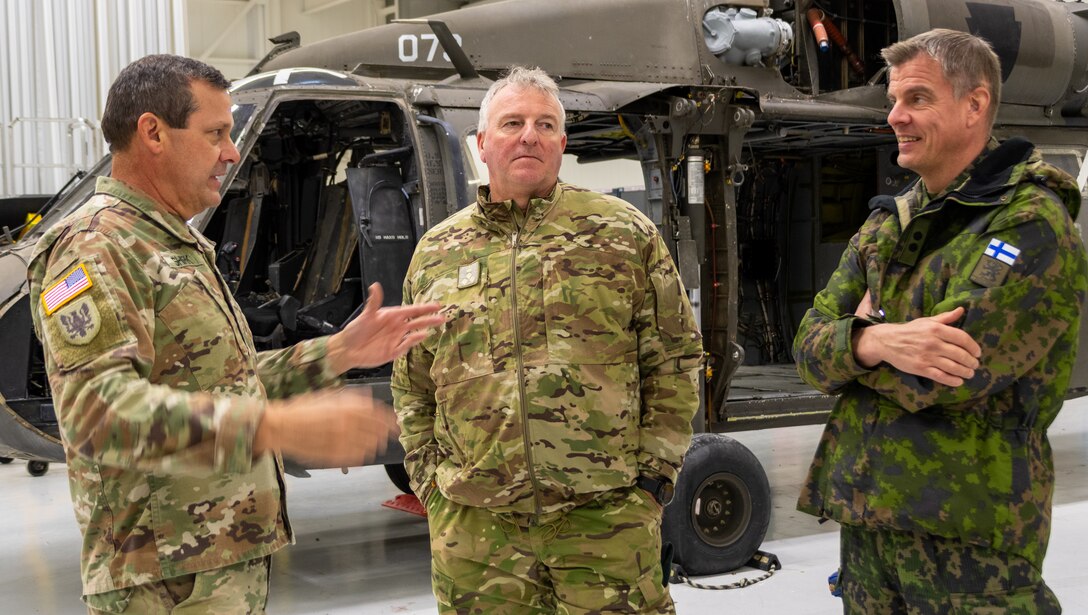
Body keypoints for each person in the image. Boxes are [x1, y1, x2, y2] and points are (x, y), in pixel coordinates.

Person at [27, 54, 444, 614]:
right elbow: (98, 416)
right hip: (164, 581)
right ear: (152, 132)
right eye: (216, 133)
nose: (229, 152)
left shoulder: (173, 244)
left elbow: (225, 382)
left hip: (215, 561)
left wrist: (339, 351)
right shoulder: (97, 245)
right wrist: (275, 426)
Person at [794, 29, 1087, 612]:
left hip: (969, 538)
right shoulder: (890, 223)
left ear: (975, 104)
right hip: (870, 530)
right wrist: (880, 340)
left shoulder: (1029, 223)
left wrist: (853, 348)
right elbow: (805, 347)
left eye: (917, 99)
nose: (896, 117)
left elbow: (944, 374)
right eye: (894, 102)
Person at [391, 66, 703, 613]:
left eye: (545, 123)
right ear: (482, 143)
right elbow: (413, 381)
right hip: (476, 533)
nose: (528, 135)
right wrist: (431, 486)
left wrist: (653, 481)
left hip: (604, 520)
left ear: (562, 142)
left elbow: (675, 358)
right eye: (512, 122)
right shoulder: (438, 251)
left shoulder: (622, 234)